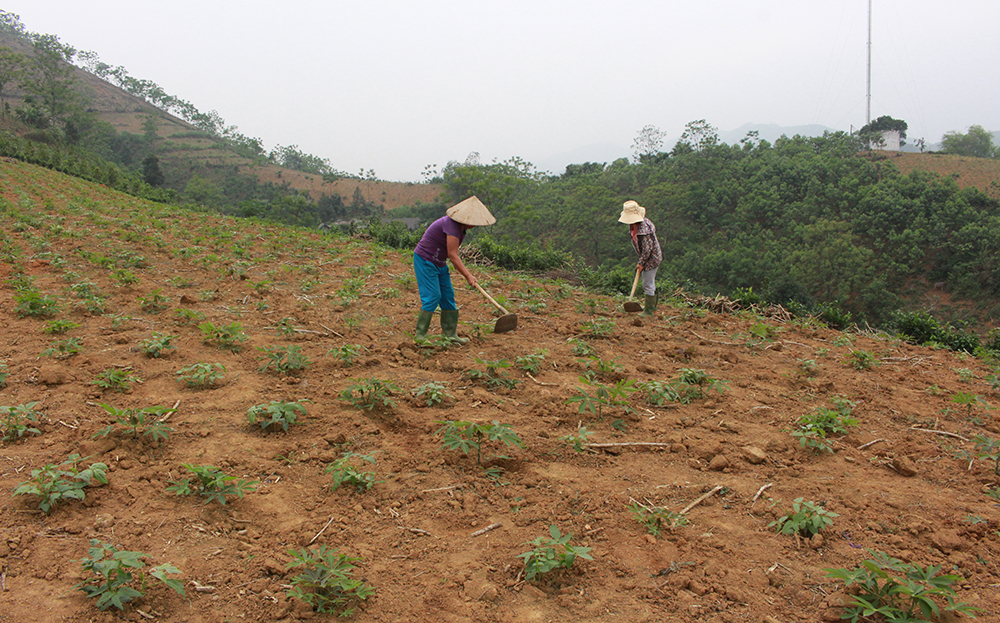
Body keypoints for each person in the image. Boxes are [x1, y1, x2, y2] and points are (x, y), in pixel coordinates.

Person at [412, 196, 496, 343]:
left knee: (448, 297)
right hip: (425, 260)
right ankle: (420, 336)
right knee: (432, 296)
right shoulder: (451, 225)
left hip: (439, 262)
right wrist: (468, 276)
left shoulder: (460, 228)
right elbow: (453, 255)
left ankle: (450, 334)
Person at [618, 200, 662, 316]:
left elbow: (647, 250)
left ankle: (648, 311)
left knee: (647, 283)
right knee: (649, 281)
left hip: (651, 258)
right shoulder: (634, 226)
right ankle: (652, 306)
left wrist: (641, 263)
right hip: (647, 257)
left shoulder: (643, 230)